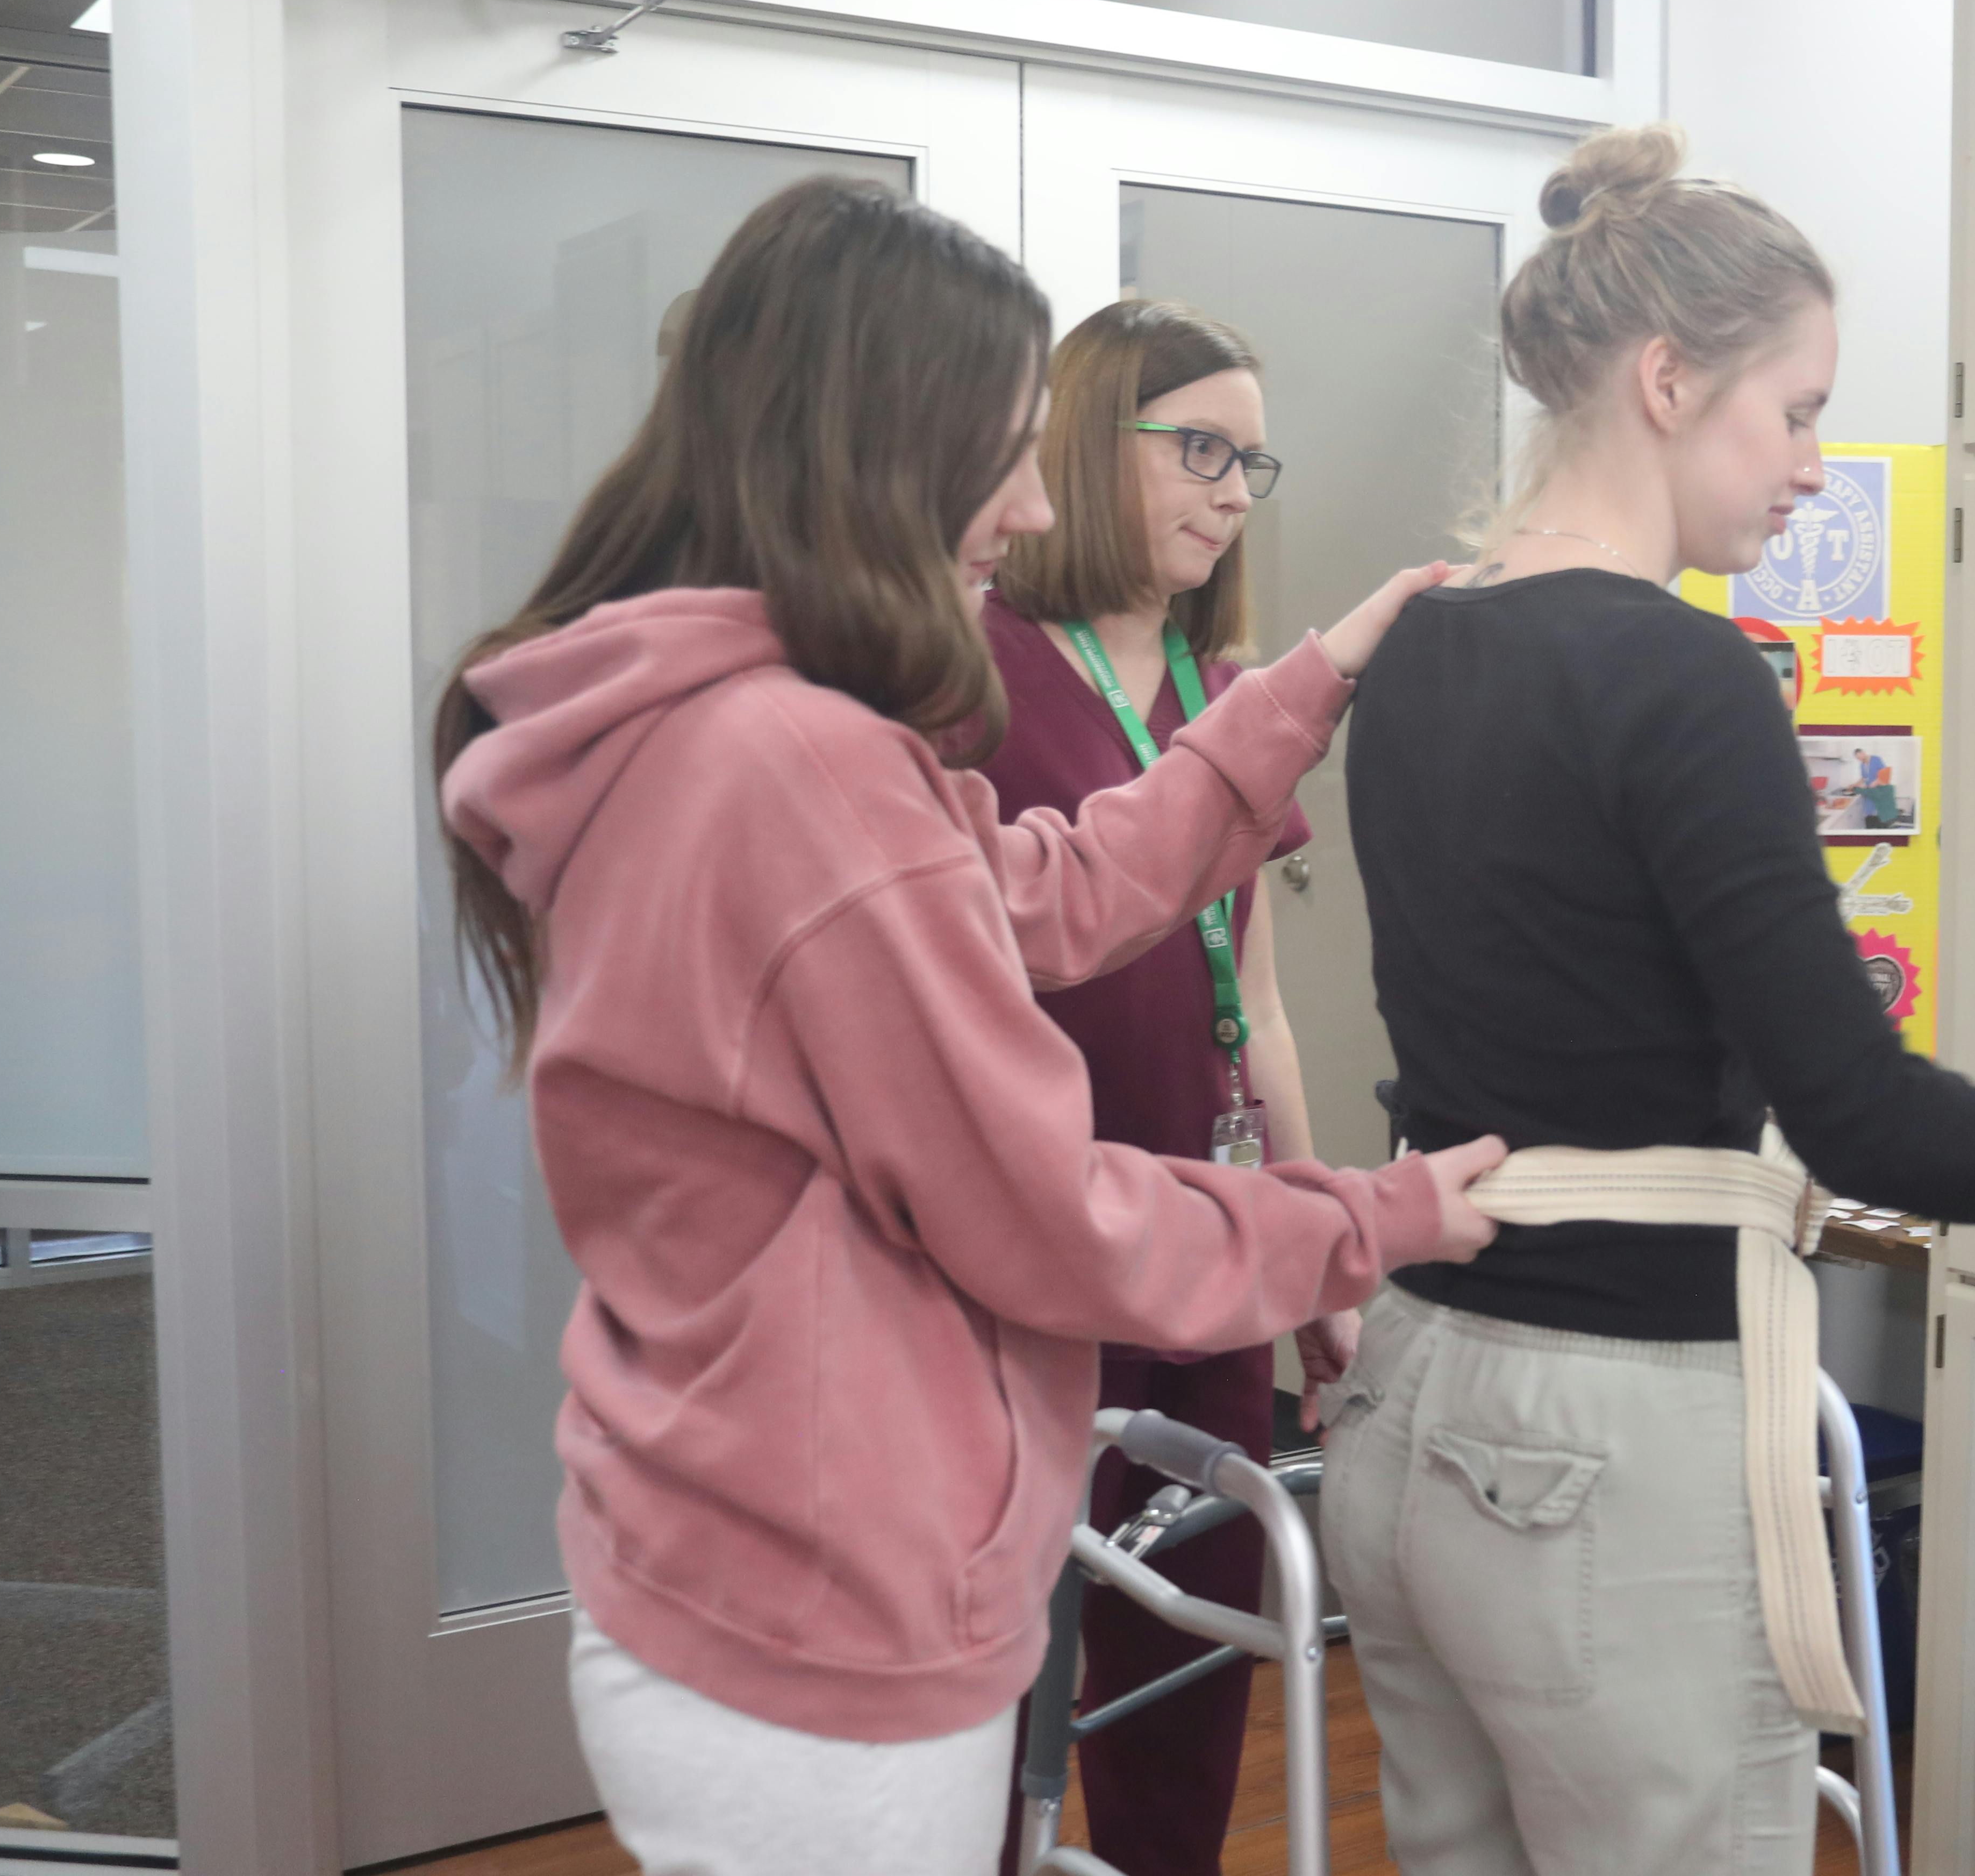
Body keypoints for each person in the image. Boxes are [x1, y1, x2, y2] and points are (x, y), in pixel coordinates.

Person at [428, 177, 1504, 1876]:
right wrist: (1380, 1216)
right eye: (1003, 450)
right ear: (878, 447)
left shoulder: (710, 725)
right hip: (816, 1617)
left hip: (721, 1551)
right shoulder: (797, 768)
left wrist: (1305, 685)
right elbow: (1041, 1213)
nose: (1022, 503)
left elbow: (1042, 889)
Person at [1323, 124, 1975, 1876]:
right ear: (1666, 379)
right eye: (1794, 412)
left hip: (1414, 1398)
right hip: (1610, 1439)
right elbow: (1859, 1112)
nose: (1811, 467)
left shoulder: (1418, 642)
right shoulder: (1681, 671)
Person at [976, 299, 1330, 1875]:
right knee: (1011, 1645)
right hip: (1033, 1234)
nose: (1235, 486)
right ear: (1084, 437)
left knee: (1195, 1636)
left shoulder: (1229, 687)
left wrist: (1313, 1233)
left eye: (1251, 457)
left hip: (1212, 1225)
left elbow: (1253, 991)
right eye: (1198, 446)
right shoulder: (971, 666)